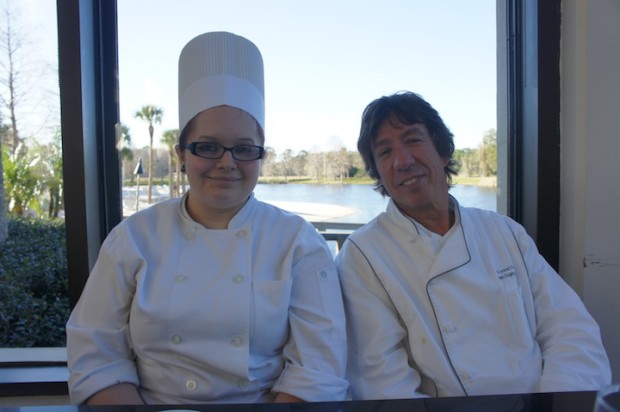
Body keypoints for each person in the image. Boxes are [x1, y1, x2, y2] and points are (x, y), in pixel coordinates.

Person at [66, 31, 348, 405]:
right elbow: (96, 352)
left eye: (245, 149)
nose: (226, 163)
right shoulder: (133, 238)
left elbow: (317, 370)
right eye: (208, 147)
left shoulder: (299, 242)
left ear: (261, 157)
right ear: (182, 153)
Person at [336, 91, 611, 399]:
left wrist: (557, 404)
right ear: (378, 173)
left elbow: (569, 329)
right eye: (384, 152)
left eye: (413, 140)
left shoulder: (504, 232)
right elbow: (382, 383)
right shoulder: (364, 256)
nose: (402, 161)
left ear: (442, 151)